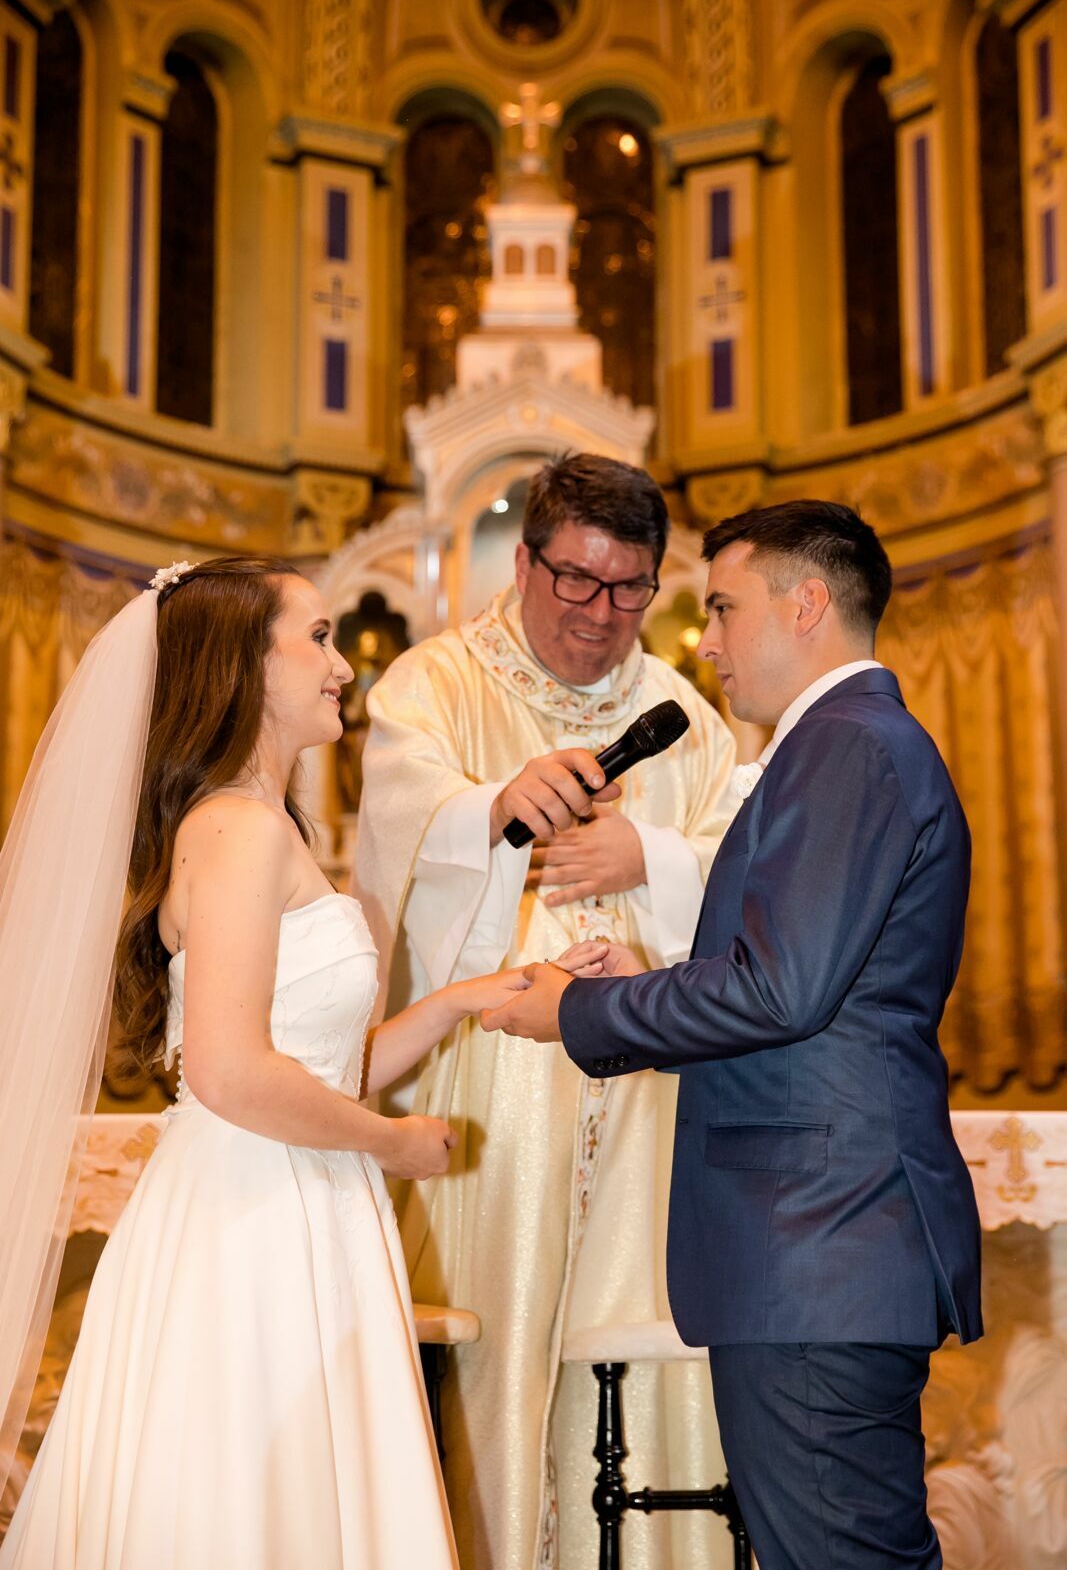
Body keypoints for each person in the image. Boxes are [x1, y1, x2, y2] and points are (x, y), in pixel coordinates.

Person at [0, 554, 600, 1568]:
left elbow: (312, 1065)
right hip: (251, 1216)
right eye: (315, 638)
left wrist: (462, 999)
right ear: (242, 663)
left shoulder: (257, 823)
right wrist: (393, 1142)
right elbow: (231, 1073)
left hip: (288, 1189)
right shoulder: (235, 829)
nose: (342, 667)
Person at [484, 500, 984, 1570]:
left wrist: (571, 1013)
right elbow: (803, 993)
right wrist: (651, 985)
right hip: (816, 1243)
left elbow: (780, 992)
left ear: (805, 603)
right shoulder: (846, 745)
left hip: (818, 1241)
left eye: (719, 606)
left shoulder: (846, 745)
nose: (699, 639)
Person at [353, 453, 738, 1570]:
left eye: (628, 590)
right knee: (500, 1334)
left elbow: (740, 868)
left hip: (643, 1094)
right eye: (574, 580)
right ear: (521, 562)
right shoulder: (433, 684)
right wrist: (488, 809)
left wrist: (650, 855)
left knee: (643, 1330)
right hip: (494, 1084)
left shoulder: (679, 711)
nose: (599, 615)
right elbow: (392, 834)